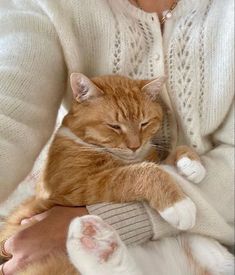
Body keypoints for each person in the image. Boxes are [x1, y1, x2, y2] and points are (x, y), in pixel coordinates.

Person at [0, 0, 234, 274]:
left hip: (214, 232)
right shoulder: (45, 6)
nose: (134, 144)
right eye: (116, 128)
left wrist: (112, 218)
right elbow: (10, 115)